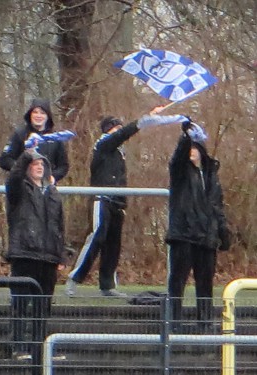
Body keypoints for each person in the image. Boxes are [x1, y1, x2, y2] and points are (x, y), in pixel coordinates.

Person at [65, 111, 184, 297]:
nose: (119, 131)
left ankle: (107, 284)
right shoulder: (102, 144)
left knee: (113, 244)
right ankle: (74, 278)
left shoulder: (120, 153)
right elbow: (120, 136)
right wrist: (140, 122)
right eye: (116, 128)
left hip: (117, 202)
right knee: (97, 235)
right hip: (102, 198)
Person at [166, 119, 231, 333]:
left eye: (195, 148)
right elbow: (176, 159)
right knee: (178, 282)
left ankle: (205, 324)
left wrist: (223, 231)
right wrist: (185, 136)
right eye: (190, 149)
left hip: (207, 237)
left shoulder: (211, 175)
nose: (192, 152)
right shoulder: (181, 174)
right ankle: (173, 323)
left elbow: (217, 206)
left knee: (205, 284)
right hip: (184, 234)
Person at [5, 148, 66, 361]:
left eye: (41, 164)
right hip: (25, 254)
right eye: (34, 164)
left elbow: (59, 225)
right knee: (21, 304)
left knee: (43, 307)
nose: (38, 167)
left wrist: (61, 255)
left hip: (48, 257)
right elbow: (13, 176)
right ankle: (18, 346)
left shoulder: (53, 192)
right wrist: (27, 154)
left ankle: (40, 348)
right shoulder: (19, 190)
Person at [0, 98, 69, 183]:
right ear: (30, 114)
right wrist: (23, 170)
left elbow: (63, 166)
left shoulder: (55, 138)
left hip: (47, 188)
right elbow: (4, 160)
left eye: (42, 113)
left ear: (48, 116)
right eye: (35, 112)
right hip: (22, 186)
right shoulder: (20, 134)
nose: (38, 116)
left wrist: (53, 177)